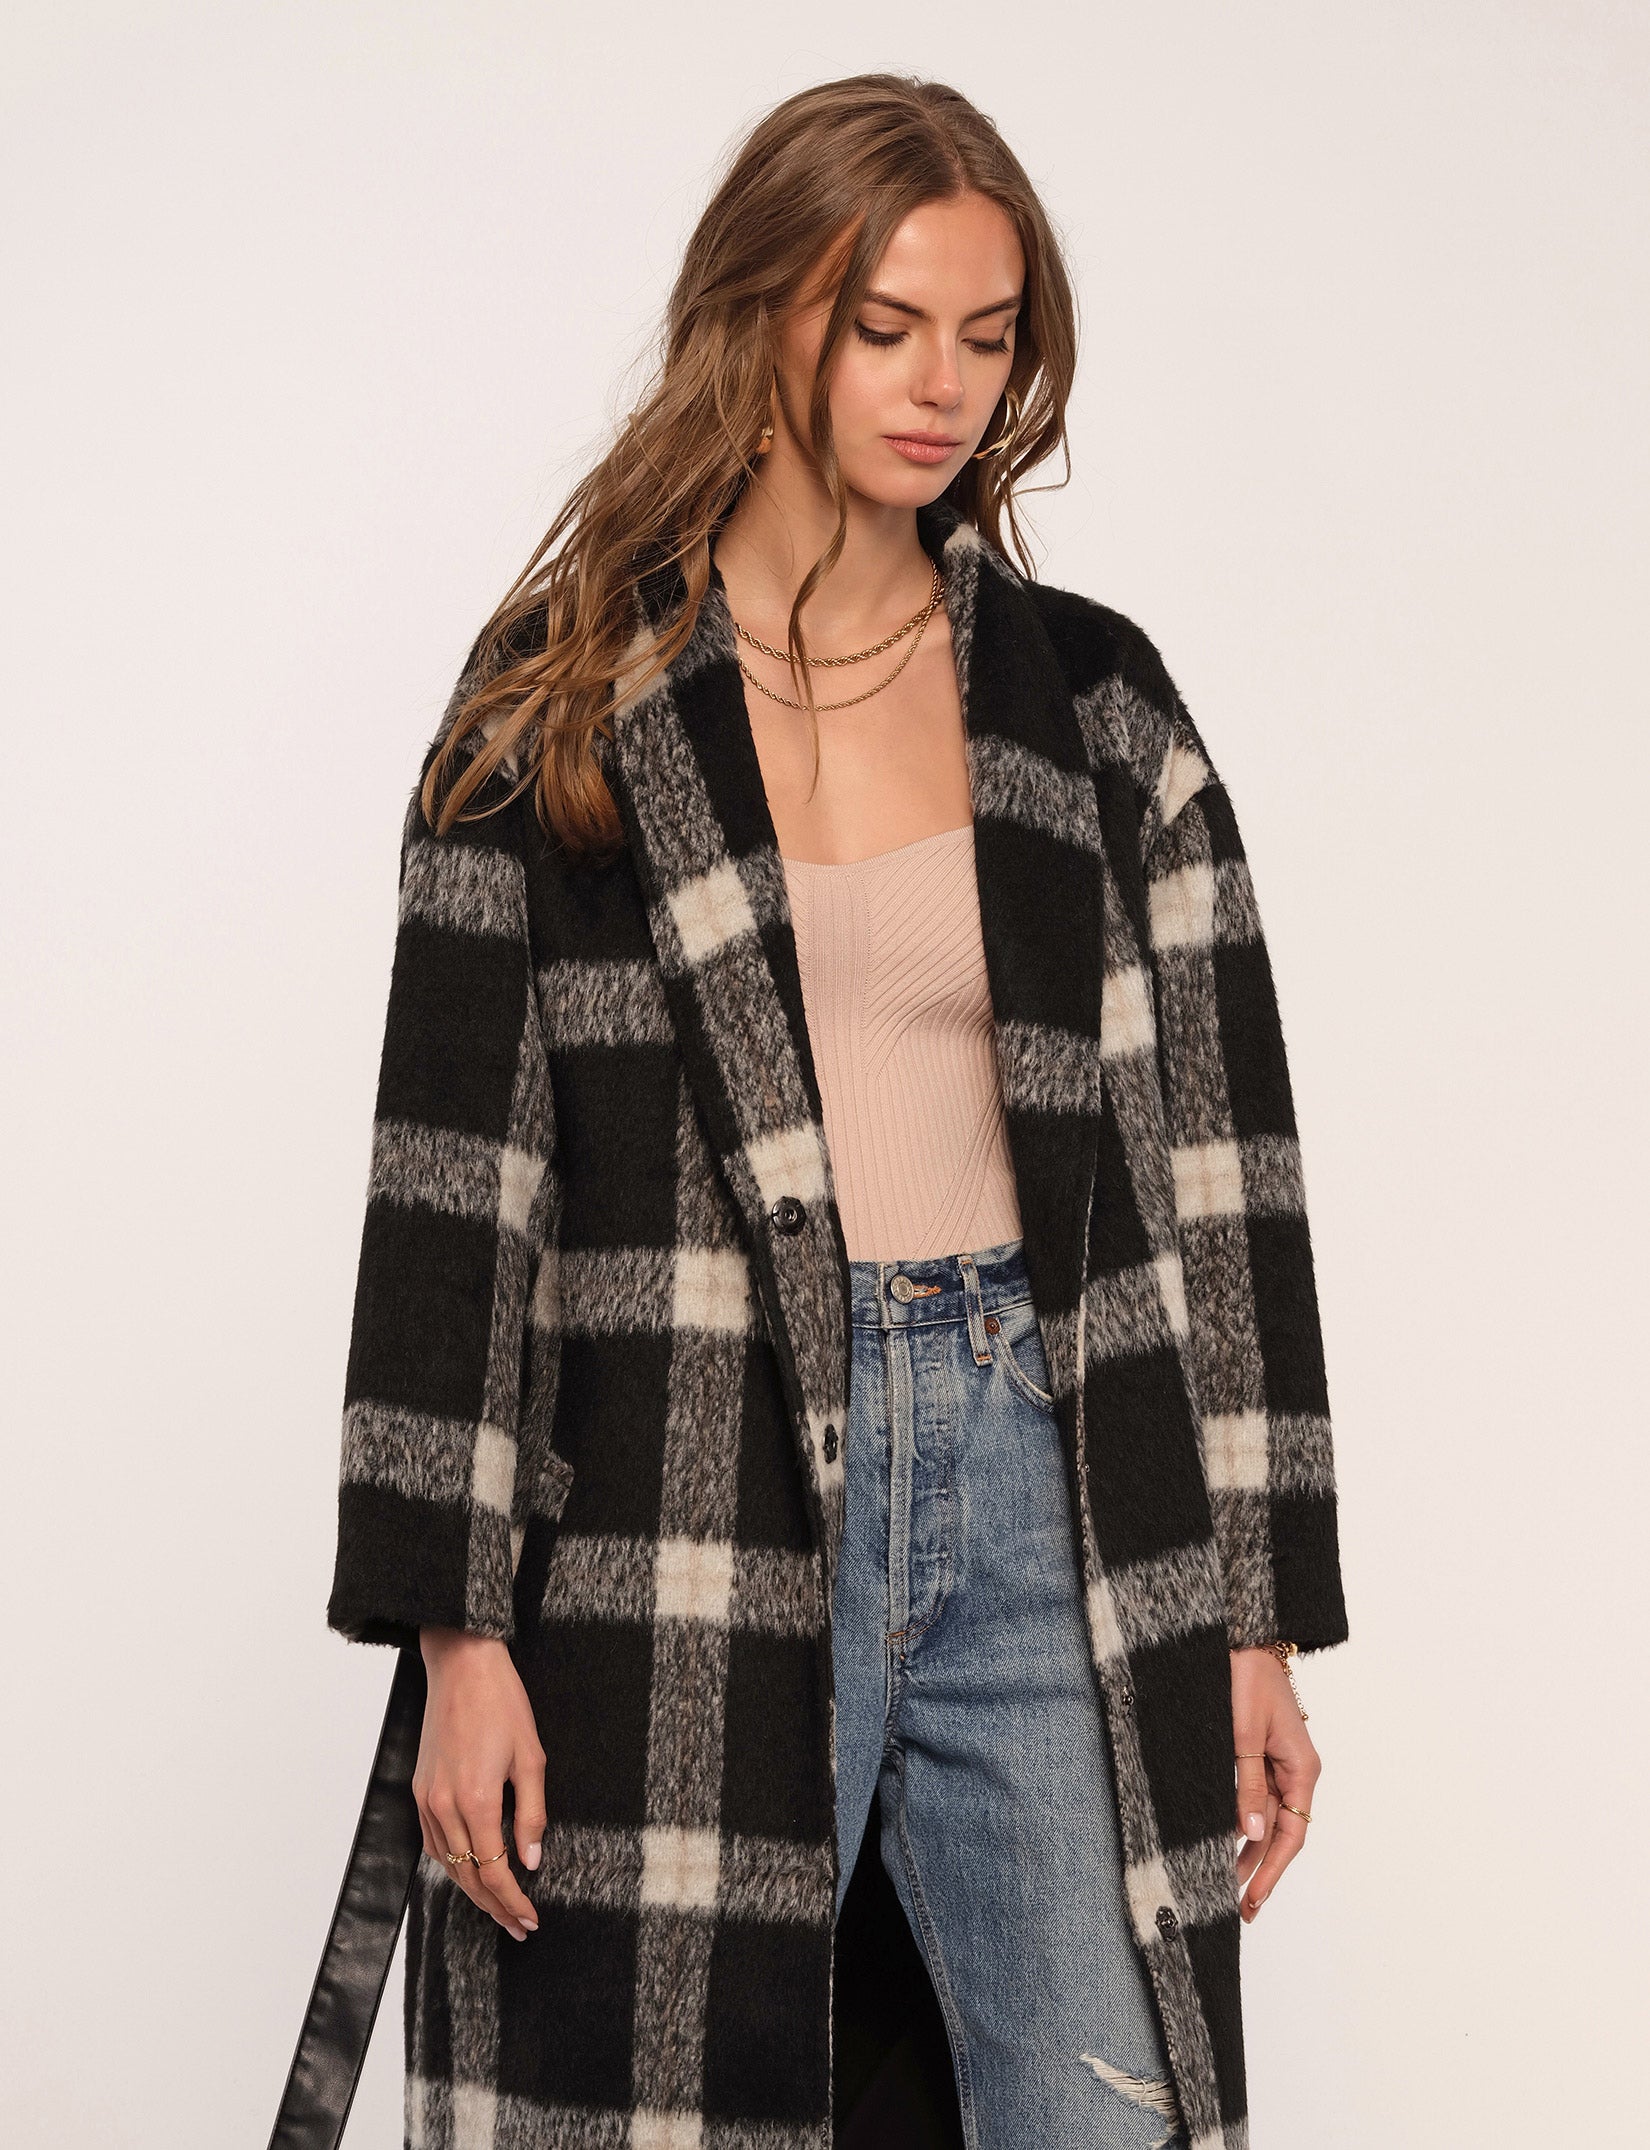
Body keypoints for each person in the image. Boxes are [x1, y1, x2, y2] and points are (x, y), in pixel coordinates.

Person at [305, 70, 1350, 2150]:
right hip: (686, 1482)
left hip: (1049, 1473)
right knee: (654, 2096)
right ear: (762, 317)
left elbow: (1225, 1175)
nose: (944, 387)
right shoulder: (562, 708)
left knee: (1104, 2100)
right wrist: (456, 1626)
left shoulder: (1097, 706)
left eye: (988, 337)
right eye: (888, 327)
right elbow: (458, 1189)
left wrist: (1256, 1611)